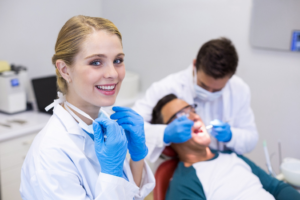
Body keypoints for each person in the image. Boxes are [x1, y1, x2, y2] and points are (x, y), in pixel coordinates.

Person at [20, 15, 155, 200]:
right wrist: (112, 175)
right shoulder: (51, 153)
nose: (113, 73)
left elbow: (133, 195)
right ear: (65, 70)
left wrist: (137, 156)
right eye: (96, 62)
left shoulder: (104, 122)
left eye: (117, 60)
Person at [133, 38, 258, 164]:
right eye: (203, 85)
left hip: (225, 164)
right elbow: (129, 127)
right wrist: (164, 134)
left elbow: (251, 139)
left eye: (217, 90)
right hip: (183, 166)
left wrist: (232, 136)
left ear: (230, 78)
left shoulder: (239, 89)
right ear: (195, 64)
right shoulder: (165, 88)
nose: (209, 93)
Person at [151, 94, 300, 200]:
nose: (194, 117)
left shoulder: (232, 156)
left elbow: (277, 188)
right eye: (181, 116)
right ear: (168, 133)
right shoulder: (184, 184)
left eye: (192, 110)